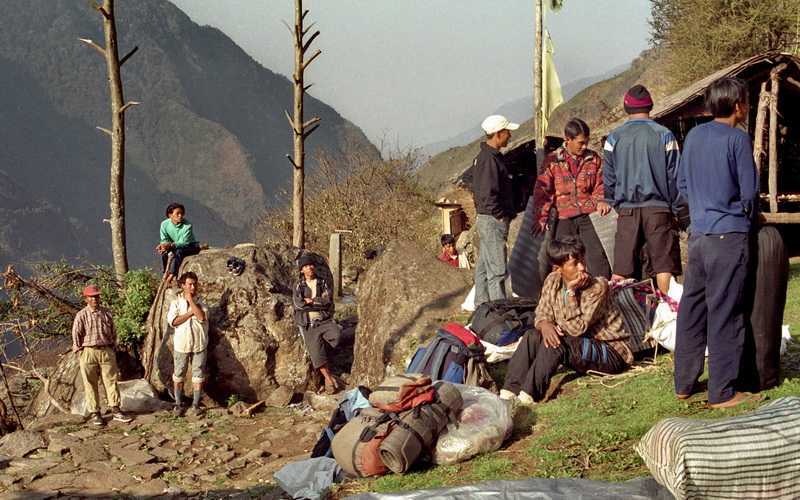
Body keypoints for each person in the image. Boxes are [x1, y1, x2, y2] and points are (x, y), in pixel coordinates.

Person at [673, 77, 758, 409]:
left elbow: (681, 184)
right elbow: (749, 193)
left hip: (699, 237)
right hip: (728, 236)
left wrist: (701, 208)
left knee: (692, 310)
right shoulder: (738, 139)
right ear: (738, 106)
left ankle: (684, 383)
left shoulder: (694, 136)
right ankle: (722, 391)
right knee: (724, 311)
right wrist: (743, 215)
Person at [500, 237, 633, 404]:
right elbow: (542, 312)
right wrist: (545, 324)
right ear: (558, 268)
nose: (582, 267)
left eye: (582, 260)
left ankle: (528, 396)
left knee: (556, 343)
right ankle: (508, 392)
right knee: (532, 336)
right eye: (575, 264)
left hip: (611, 352)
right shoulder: (552, 280)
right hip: (578, 344)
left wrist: (571, 294)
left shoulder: (598, 287)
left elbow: (577, 329)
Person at [603, 85, 684, 294]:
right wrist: (679, 210)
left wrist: (616, 203)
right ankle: (668, 309)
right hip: (659, 210)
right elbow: (675, 178)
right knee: (664, 266)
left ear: (626, 107)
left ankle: (623, 311)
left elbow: (609, 179)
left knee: (621, 270)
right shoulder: (664, 135)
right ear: (650, 106)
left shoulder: (613, 138)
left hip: (627, 211)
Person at [532, 117, 612, 278]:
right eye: (580, 143)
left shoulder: (593, 159)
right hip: (563, 218)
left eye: (586, 142)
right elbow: (543, 191)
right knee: (565, 261)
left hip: (588, 216)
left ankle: (601, 290)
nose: (585, 146)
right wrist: (541, 216)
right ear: (567, 140)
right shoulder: (552, 161)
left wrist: (601, 200)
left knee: (597, 258)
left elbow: (601, 184)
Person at [473, 114, 519, 306]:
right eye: (507, 132)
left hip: (487, 219)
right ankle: (499, 310)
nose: (510, 135)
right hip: (492, 220)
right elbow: (487, 192)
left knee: (485, 266)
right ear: (498, 134)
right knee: (498, 271)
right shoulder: (490, 160)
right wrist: (499, 215)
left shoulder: (485, 157)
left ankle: (482, 305)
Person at [72, 284, 132, 426]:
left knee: (111, 380)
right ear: (86, 299)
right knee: (90, 383)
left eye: (96, 296)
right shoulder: (81, 315)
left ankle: (115, 409)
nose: (95, 299)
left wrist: (112, 347)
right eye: (91, 297)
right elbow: (76, 333)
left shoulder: (106, 313)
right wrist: (80, 350)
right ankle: (95, 413)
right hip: (88, 351)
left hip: (106, 350)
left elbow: (113, 331)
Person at [293, 255, 343, 394]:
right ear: (302, 270)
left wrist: (311, 301)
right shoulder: (298, 285)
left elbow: (327, 300)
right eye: (306, 266)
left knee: (336, 335)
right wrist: (312, 302)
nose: (310, 268)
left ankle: (323, 348)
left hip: (323, 319)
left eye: (311, 265)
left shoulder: (322, 282)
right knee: (316, 354)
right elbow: (298, 304)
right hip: (308, 323)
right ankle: (328, 379)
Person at [167, 272, 209, 416]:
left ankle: (195, 405)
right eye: (190, 284)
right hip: (182, 344)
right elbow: (174, 321)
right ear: (183, 285)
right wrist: (190, 313)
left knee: (198, 374)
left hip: (199, 344)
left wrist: (191, 301)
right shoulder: (176, 302)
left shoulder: (201, 301)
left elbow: (201, 317)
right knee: (179, 374)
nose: (193, 287)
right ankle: (178, 404)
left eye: (195, 284)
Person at [156, 203, 200, 284]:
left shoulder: (187, 225)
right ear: (170, 215)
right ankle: (166, 272)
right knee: (164, 253)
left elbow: (184, 242)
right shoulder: (164, 224)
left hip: (190, 246)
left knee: (179, 251)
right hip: (174, 245)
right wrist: (163, 246)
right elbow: (164, 239)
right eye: (177, 213)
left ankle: (172, 274)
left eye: (182, 213)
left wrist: (170, 245)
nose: (180, 216)